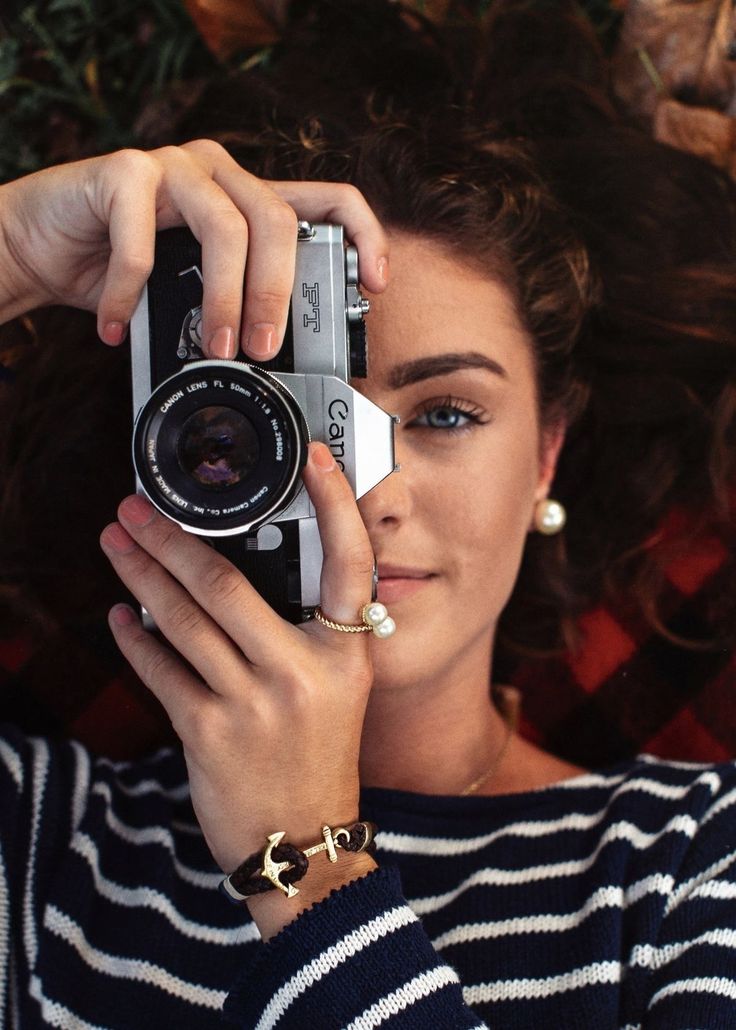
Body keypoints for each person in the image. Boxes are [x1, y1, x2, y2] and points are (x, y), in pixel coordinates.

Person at [1, 1, 735, 1027]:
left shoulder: (695, 863)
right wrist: (14, 251)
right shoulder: (46, 842)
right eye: (283, 423)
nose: (363, 494)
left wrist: (304, 867)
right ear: (175, 449)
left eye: (442, 413)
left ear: (546, 457)